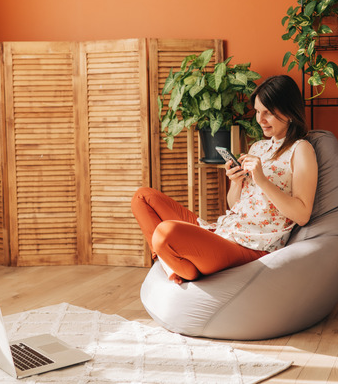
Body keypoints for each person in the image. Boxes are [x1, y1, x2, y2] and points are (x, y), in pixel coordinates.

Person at [131, 75, 318, 284]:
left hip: (250, 247)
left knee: (165, 232)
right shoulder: (258, 147)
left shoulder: (301, 150)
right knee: (142, 197)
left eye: (269, 113)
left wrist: (263, 181)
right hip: (223, 232)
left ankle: (185, 269)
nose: (260, 120)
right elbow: (234, 205)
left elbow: (302, 215)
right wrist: (236, 182)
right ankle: (176, 264)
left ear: (290, 111)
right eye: (257, 111)